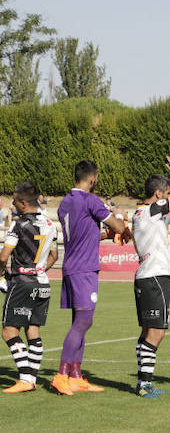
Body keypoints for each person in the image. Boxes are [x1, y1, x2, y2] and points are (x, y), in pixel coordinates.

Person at [52, 160, 128, 395]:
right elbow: (117, 225)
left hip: (71, 266)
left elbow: (82, 234)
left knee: (79, 321)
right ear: (92, 178)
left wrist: (102, 235)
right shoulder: (91, 200)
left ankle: (75, 375)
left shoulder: (65, 203)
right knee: (85, 321)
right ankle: (61, 375)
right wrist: (121, 222)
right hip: (84, 269)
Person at [130, 147, 170, 398]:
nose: (169, 199)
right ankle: (144, 384)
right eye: (165, 195)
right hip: (155, 276)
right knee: (157, 332)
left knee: (147, 332)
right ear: (158, 195)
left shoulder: (141, 212)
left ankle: (145, 382)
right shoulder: (152, 211)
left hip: (145, 275)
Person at [0, 182, 58, 393]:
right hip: (42, 282)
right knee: (33, 330)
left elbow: (4, 256)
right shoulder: (51, 225)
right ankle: (31, 378)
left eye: (15, 201)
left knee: (9, 331)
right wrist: (39, 269)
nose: (13, 204)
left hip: (22, 283)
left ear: (23, 203)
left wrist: (1, 274)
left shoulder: (19, 225)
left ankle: (25, 379)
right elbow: (54, 256)